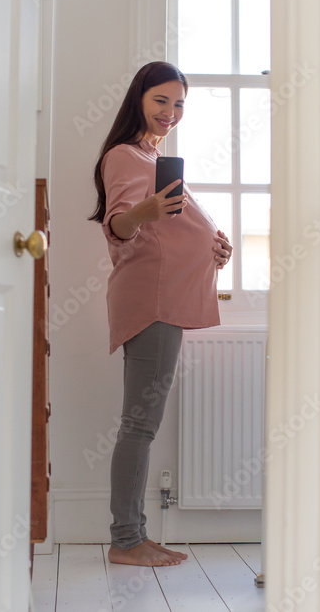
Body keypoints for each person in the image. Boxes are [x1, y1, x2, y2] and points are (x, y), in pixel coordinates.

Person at [89, 61, 233, 567]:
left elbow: (172, 231)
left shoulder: (151, 155)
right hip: (151, 301)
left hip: (163, 298)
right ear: (139, 99)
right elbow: (121, 227)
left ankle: (133, 535)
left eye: (179, 105)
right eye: (161, 102)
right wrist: (144, 213)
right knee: (140, 426)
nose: (170, 113)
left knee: (141, 424)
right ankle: (126, 539)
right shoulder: (126, 156)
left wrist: (213, 248)